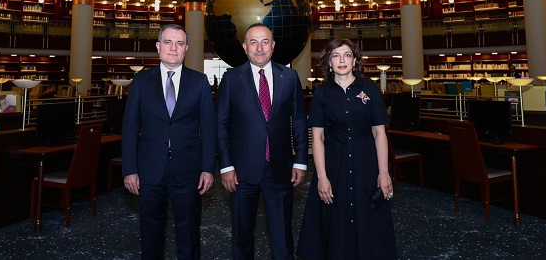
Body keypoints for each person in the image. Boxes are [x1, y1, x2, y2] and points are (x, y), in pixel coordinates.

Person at [297, 38, 398, 260]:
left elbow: (379, 133)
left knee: (368, 215)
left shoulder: (369, 89)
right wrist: (321, 177)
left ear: (354, 61)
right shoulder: (321, 94)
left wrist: (383, 172)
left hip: (366, 163)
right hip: (334, 163)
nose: (341, 60)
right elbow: (318, 137)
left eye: (347, 55)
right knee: (335, 216)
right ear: (329, 62)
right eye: (336, 55)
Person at [122, 24, 216, 260]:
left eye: (179, 43)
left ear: (186, 49)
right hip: (149, 171)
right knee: (151, 234)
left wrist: (207, 168)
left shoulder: (200, 81)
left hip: (189, 171)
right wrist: (130, 170)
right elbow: (130, 128)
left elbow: (208, 128)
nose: (173, 48)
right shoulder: (141, 81)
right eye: (168, 42)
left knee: (189, 235)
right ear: (158, 46)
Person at [216, 23, 308, 260]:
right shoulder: (231, 79)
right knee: (242, 236)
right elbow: (222, 126)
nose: (259, 48)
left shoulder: (289, 77)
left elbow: (298, 121)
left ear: (273, 45)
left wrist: (300, 161)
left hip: (280, 170)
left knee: (282, 236)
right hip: (241, 172)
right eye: (253, 43)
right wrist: (226, 166)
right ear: (245, 47)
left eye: (265, 42)